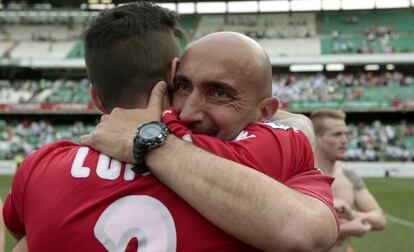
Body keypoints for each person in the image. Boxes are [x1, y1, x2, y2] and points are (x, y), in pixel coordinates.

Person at [4, 2, 337, 251]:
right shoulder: (269, 162)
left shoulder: (39, 168)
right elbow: (304, 231)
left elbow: (24, 240)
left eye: (218, 93)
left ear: (95, 97)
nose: (192, 111)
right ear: (170, 81)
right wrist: (296, 124)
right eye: (185, 87)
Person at [310, 109, 386, 252]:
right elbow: (296, 231)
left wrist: (352, 214)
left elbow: (380, 219)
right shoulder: (301, 175)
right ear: (316, 137)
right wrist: (344, 229)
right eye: (337, 134)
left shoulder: (348, 175)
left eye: (346, 134)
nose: (345, 140)